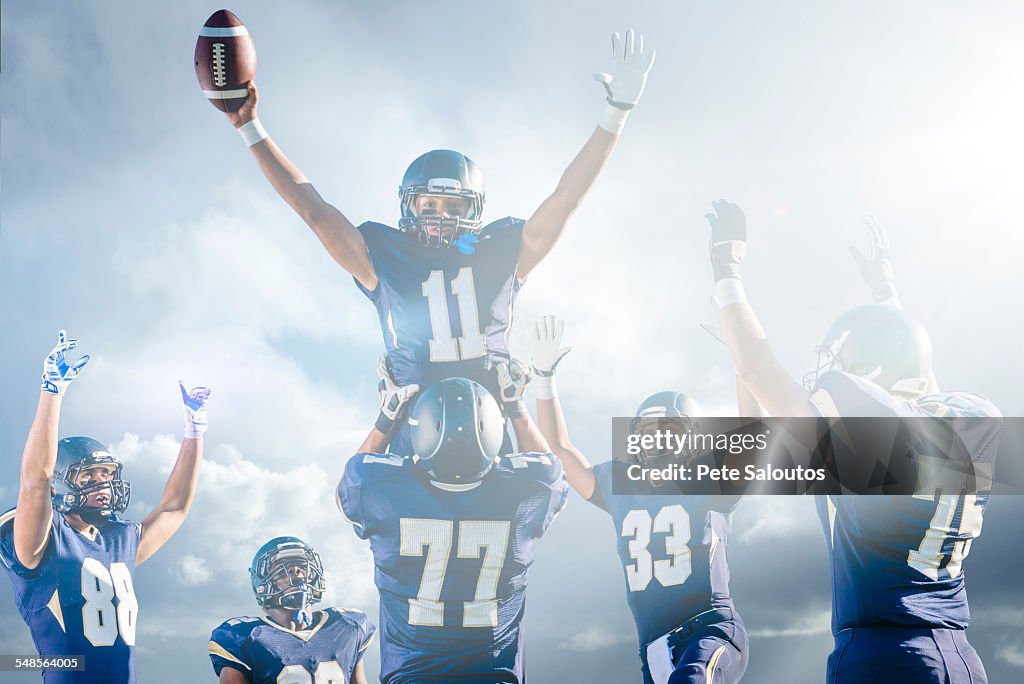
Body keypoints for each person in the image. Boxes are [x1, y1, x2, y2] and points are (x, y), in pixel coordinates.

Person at [218, 29, 655, 453]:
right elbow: (312, 209)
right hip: (412, 438)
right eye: (429, 206)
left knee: (545, 486)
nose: (439, 218)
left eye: (452, 208)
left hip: (493, 435)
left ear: (474, 211)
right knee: (358, 494)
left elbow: (566, 199)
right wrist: (249, 127)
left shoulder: (500, 249)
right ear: (411, 206)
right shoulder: (382, 256)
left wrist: (616, 113)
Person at [703, 201, 1001, 683]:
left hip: (886, 655)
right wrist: (886, 294)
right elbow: (913, 373)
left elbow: (756, 380)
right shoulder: (970, 421)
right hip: (959, 656)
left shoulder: (867, 442)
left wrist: (725, 268)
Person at [530, 315, 749, 684]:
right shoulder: (620, 485)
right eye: (649, 431)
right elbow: (559, 449)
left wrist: (745, 364)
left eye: (670, 430)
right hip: (653, 646)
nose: (658, 440)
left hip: (708, 630)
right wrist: (544, 378)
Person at [0, 330, 211, 684]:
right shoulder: (44, 537)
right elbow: (35, 482)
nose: (103, 483)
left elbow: (174, 508)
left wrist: (195, 430)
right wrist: (52, 390)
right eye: (89, 475)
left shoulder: (118, 539)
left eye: (107, 473)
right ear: (61, 483)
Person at [337, 377, 567, 683]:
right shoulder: (527, 492)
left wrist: (386, 419)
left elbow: (344, 494)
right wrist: (516, 407)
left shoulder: (381, 489)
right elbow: (549, 466)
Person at [208, 537, 375, 684]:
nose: (296, 571)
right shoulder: (246, 637)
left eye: (301, 565)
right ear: (262, 584)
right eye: (282, 568)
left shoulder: (347, 627)